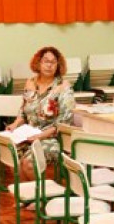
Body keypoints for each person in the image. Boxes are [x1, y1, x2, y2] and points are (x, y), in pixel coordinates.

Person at [5, 46, 76, 181]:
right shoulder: (30, 82)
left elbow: (64, 122)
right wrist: (15, 124)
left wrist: (41, 136)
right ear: (38, 63)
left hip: (53, 139)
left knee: (29, 163)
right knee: (12, 157)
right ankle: (26, 198)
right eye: (45, 61)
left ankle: (40, 198)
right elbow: (24, 111)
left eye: (53, 62)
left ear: (58, 65)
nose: (49, 65)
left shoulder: (63, 86)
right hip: (29, 134)